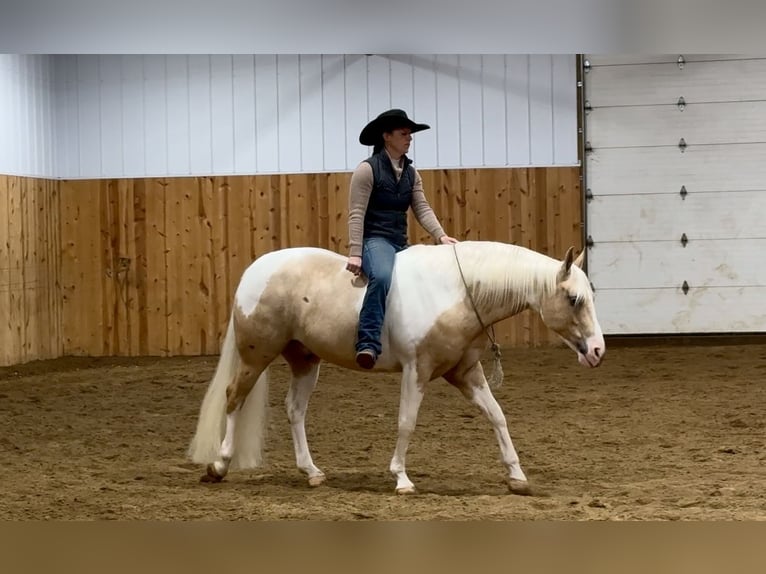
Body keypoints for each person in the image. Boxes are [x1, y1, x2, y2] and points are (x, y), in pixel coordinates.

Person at [346, 109, 459, 369]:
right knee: (383, 276)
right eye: (404, 134)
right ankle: (368, 342)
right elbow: (356, 213)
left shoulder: (410, 172)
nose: (410, 138)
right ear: (387, 137)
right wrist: (356, 252)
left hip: (400, 241)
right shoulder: (367, 170)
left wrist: (440, 236)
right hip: (376, 240)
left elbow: (422, 208)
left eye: (410, 134)